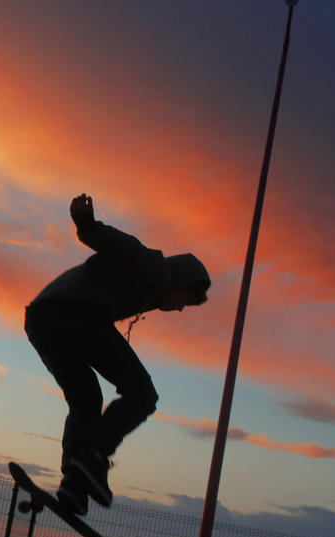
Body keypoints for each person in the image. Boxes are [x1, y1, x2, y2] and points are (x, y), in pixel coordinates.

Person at [25, 194, 210, 516]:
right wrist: (87, 224)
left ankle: (75, 481)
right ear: (181, 281)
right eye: (186, 299)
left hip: (41, 320)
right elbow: (124, 246)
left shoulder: (143, 290)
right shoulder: (157, 270)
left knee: (85, 398)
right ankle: (93, 456)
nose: (181, 307)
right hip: (78, 313)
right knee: (142, 393)